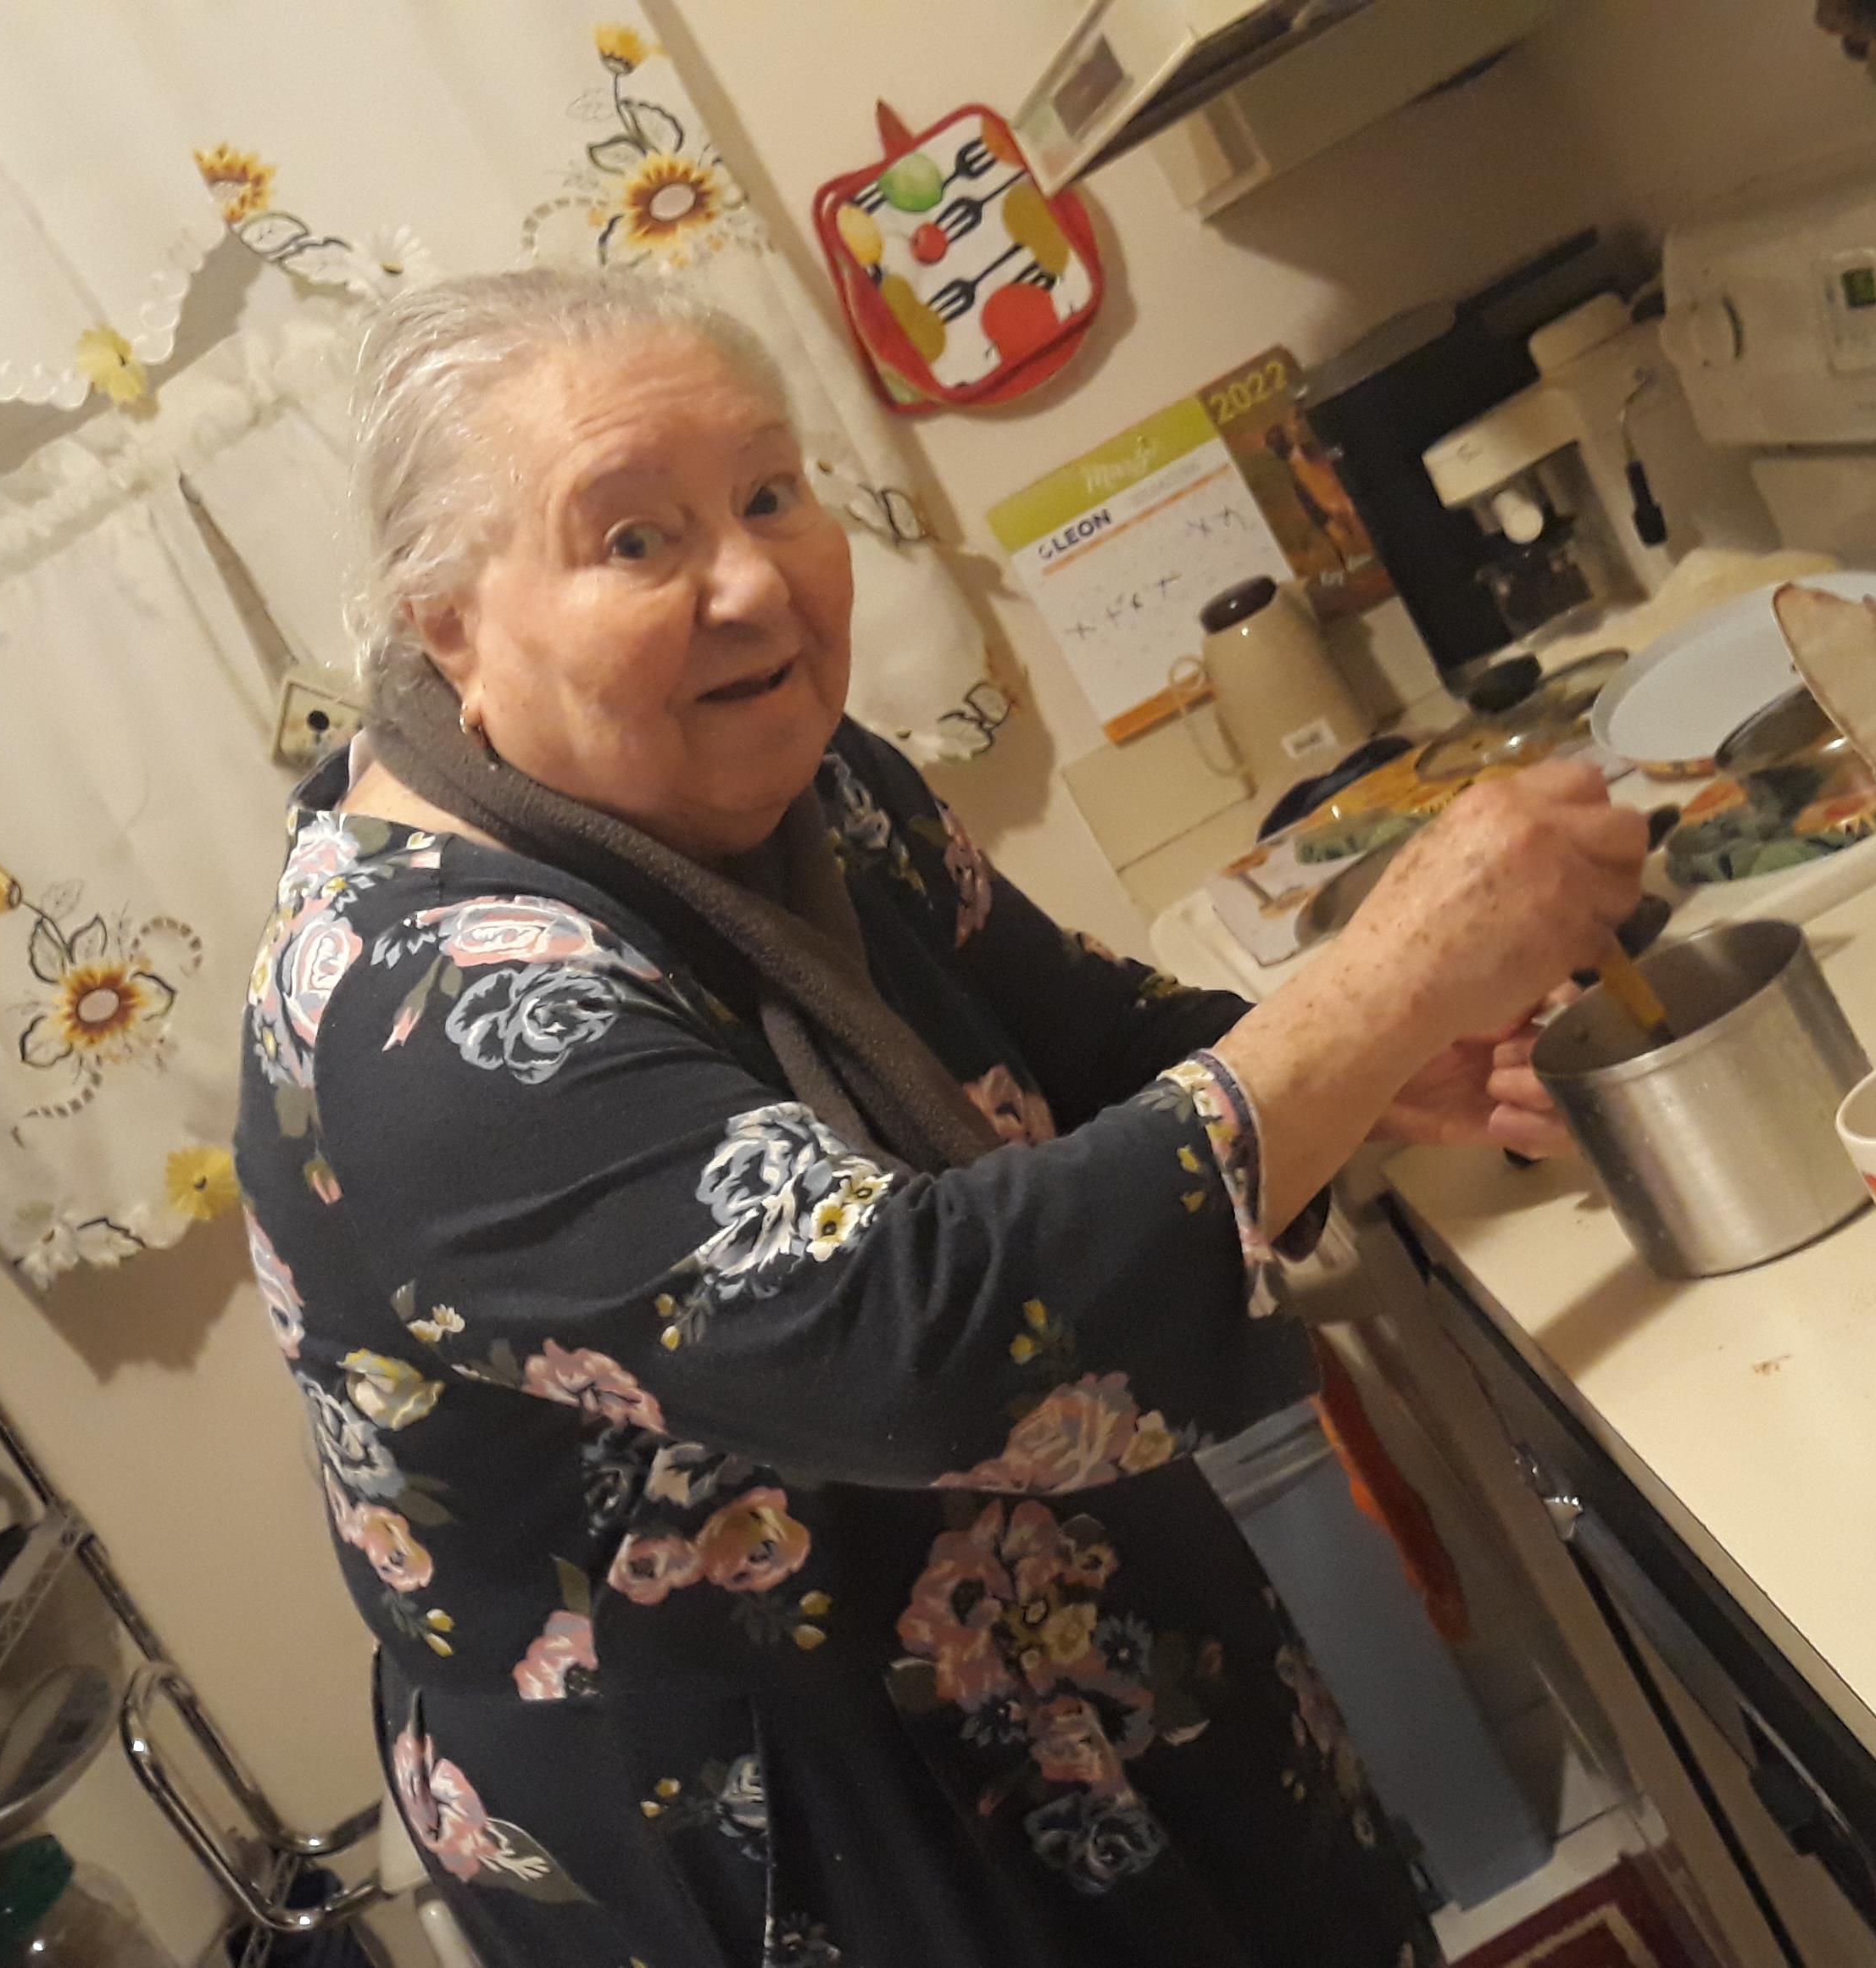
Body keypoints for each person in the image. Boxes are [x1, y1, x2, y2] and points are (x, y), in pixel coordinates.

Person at [234, 268, 1647, 1968]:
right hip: (800, 1823)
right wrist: (1376, 990)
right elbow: (915, 1336)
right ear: (447, 619)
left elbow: (1082, 1036)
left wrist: (1351, 1072)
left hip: (1079, 1643)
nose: (752, 582)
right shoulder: (423, 1014)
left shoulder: (803, 787)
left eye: (770, 494)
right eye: (634, 541)